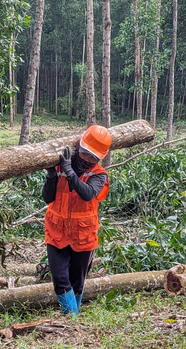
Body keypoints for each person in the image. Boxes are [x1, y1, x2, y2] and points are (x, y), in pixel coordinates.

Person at [42, 125, 112, 316]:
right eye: (85, 153)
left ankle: (75, 314)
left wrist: (69, 172)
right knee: (60, 279)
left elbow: (87, 193)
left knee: (77, 281)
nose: (88, 159)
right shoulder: (61, 165)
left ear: (100, 158)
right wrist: (51, 175)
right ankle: (71, 318)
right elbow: (48, 198)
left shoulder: (99, 174)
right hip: (57, 232)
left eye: (93, 157)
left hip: (83, 236)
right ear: (79, 147)